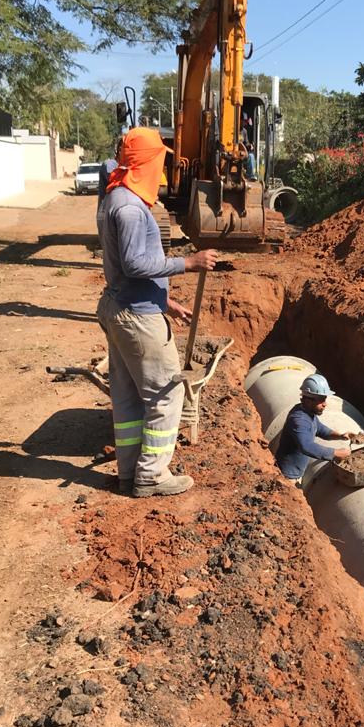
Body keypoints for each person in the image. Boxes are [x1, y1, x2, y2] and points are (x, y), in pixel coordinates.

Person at [97, 127, 217, 497]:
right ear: (145, 162)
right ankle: (151, 475)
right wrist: (189, 263)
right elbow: (134, 263)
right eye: (160, 161)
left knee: (128, 397)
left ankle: (130, 472)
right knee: (167, 394)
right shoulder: (131, 208)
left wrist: (166, 302)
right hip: (137, 317)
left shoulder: (115, 197)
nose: (162, 170)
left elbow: (123, 268)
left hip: (121, 305)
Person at [275, 374, 352, 483]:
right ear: (308, 400)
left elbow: (320, 429)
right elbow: (307, 446)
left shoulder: (308, 413)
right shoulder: (299, 420)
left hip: (296, 471)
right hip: (288, 475)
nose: (325, 404)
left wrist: (341, 436)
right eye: (321, 400)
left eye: (325, 399)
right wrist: (336, 453)